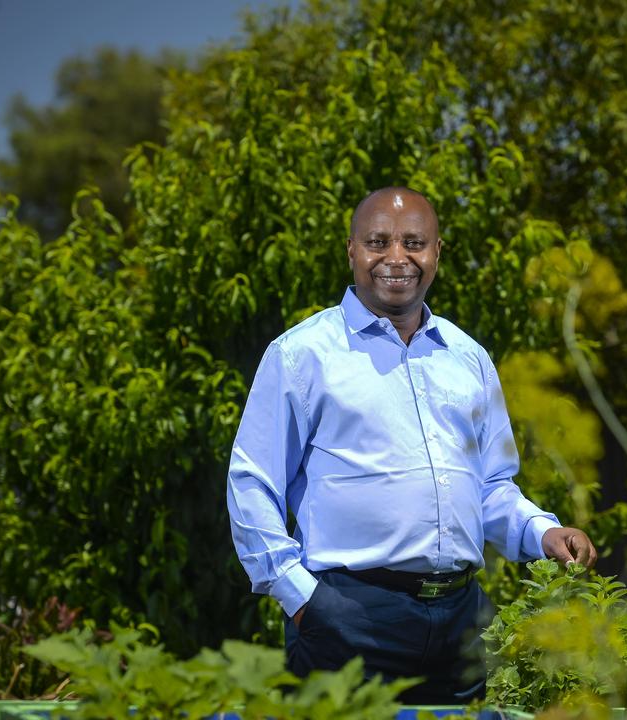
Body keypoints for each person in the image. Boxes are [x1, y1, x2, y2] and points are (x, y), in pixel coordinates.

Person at [226, 186, 597, 703]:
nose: (396, 259)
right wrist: (300, 596)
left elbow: (490, 488)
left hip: (463, 625)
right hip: (346, 620)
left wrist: (543, 533)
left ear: (437, 252)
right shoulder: (302, 355)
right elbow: (251, 484)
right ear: (352, 250)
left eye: (414, 243)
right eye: (378, 242)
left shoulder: (468, 359)